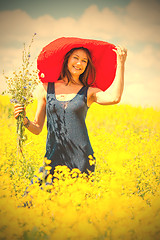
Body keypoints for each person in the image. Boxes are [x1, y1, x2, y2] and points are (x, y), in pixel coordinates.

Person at [14, 38, 127, 183]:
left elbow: (115, 98)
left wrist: (121, 63)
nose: (79, 63)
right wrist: (24, 121)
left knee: (74, 204)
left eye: (84, 61)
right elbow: (37, 128)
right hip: (52, 158)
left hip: (81, 159)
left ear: (87, 66)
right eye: (76, 58)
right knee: (32, 200)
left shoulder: (89, 92)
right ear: (67, 60)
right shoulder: (46, 89)